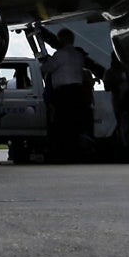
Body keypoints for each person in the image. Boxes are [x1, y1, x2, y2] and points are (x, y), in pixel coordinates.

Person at [40, 27, 93, 161]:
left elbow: (47, 68)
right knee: (75, 123)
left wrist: (45, 61)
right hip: (77, 91)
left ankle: (63, 152)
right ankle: (75, 152)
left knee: (62, 123)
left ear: (61, 39)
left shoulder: (61, 54)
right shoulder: (78, 55)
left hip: (64, 93)